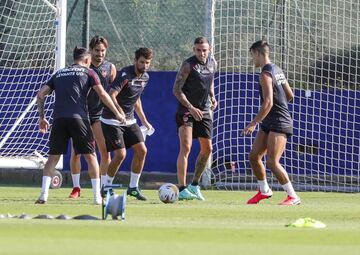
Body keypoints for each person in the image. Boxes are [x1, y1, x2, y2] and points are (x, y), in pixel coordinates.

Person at [35, 46, 125, 204]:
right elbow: (103, 94)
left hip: (59, 119)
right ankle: (97, 198)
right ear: (86, 60)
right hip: (80, 118)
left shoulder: (59, 73)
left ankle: (43, 195)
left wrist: (42, 117)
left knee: (52, 159)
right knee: (91, 157)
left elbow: (40, 94)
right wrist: (117, 113)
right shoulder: (89, 72)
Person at [243, 40, 301, 205]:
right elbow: (290, 95)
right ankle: (264, 190)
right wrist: (278, 106)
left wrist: (254, 123)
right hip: (270, 121)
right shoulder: (277, 70)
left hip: (279, 122)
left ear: (258, 53)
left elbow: (268, 102)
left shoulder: (265, 74)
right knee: (254, 156)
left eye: (252, 56)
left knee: (272, 162)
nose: (252, 59)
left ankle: (293, 196)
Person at [100, 47, 154, 201]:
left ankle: (133, 188)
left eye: (147, 63)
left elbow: (136, 98)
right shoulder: (125, 74)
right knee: (121, 154)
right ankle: (107, 188)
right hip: (111, 120)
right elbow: (112, 95)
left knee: (142, 151)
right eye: (142, 62)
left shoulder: (145, 78)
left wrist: (144, 120)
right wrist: (119, 112)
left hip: (129, 120)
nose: (144, 65)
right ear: (135, 60)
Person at [68, 36, 117, 199]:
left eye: (103, 50)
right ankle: (76, 187)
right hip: (82, 116)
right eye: (97, 50)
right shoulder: (82, 69)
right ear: (91, 50)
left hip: (100, 116)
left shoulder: (110, 68)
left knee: (105, 152)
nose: (100, 54)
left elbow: (112, 91)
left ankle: (103, 188)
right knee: (76, 152)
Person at [173, 37, 217, 201]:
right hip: (186, 110)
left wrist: (212, 96)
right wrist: (191, 108)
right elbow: (176, 90)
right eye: (198, 50)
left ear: (209, 49)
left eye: (204, 49)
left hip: (205, 110)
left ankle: (194, 185)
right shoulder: (188, 65)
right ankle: (182, 188)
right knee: (186, 147)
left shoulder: (213, 63)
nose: (201, 53)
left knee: (208, 149)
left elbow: (210, 82)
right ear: (194, 50)